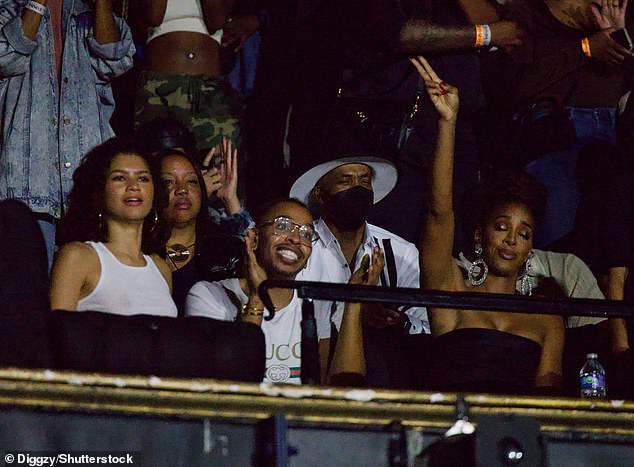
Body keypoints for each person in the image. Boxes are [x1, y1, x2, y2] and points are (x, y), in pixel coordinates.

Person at [412, 55, 564, 394]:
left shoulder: (548, 319)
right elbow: (439, 214)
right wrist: (447, 123)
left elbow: (549, 392)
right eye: (501, 227)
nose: (511, 239)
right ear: (480, 234)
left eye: (523, 234)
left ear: (530, 249)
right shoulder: (452, 292)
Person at [186, 198, 382, 385]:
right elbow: (231, 387)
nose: (295, 239)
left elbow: (336, 388)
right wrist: (256, 298)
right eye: (282, 226)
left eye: (306, 234)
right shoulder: (207, 295)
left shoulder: (313, 304)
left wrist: (353, 301)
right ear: (254, 238)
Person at [0, 0, 136, 265]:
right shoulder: (8, 9)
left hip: (85, 190)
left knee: (86, 292)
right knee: (30, 291)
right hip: (25, 185)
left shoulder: (87, 12)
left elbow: (116, 59)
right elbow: (5, 58)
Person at [50, 138, 176, 317]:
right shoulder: (78, 257)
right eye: (119, 178)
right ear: (98, 192)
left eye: (143, 178)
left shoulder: (161, 268)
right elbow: (57, 336)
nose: (133, 186)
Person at [130, 0, 243, 157]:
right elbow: (153, 16)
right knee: (158, 164)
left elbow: (217, 19)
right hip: (160, 88)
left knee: (220, 165)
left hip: (209, 90)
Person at [156, 137, 251, 314]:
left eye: (192, 181)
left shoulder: (226, 250)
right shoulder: (139, 251)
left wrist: (231, 200)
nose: (182, 189)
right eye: (168, 182)